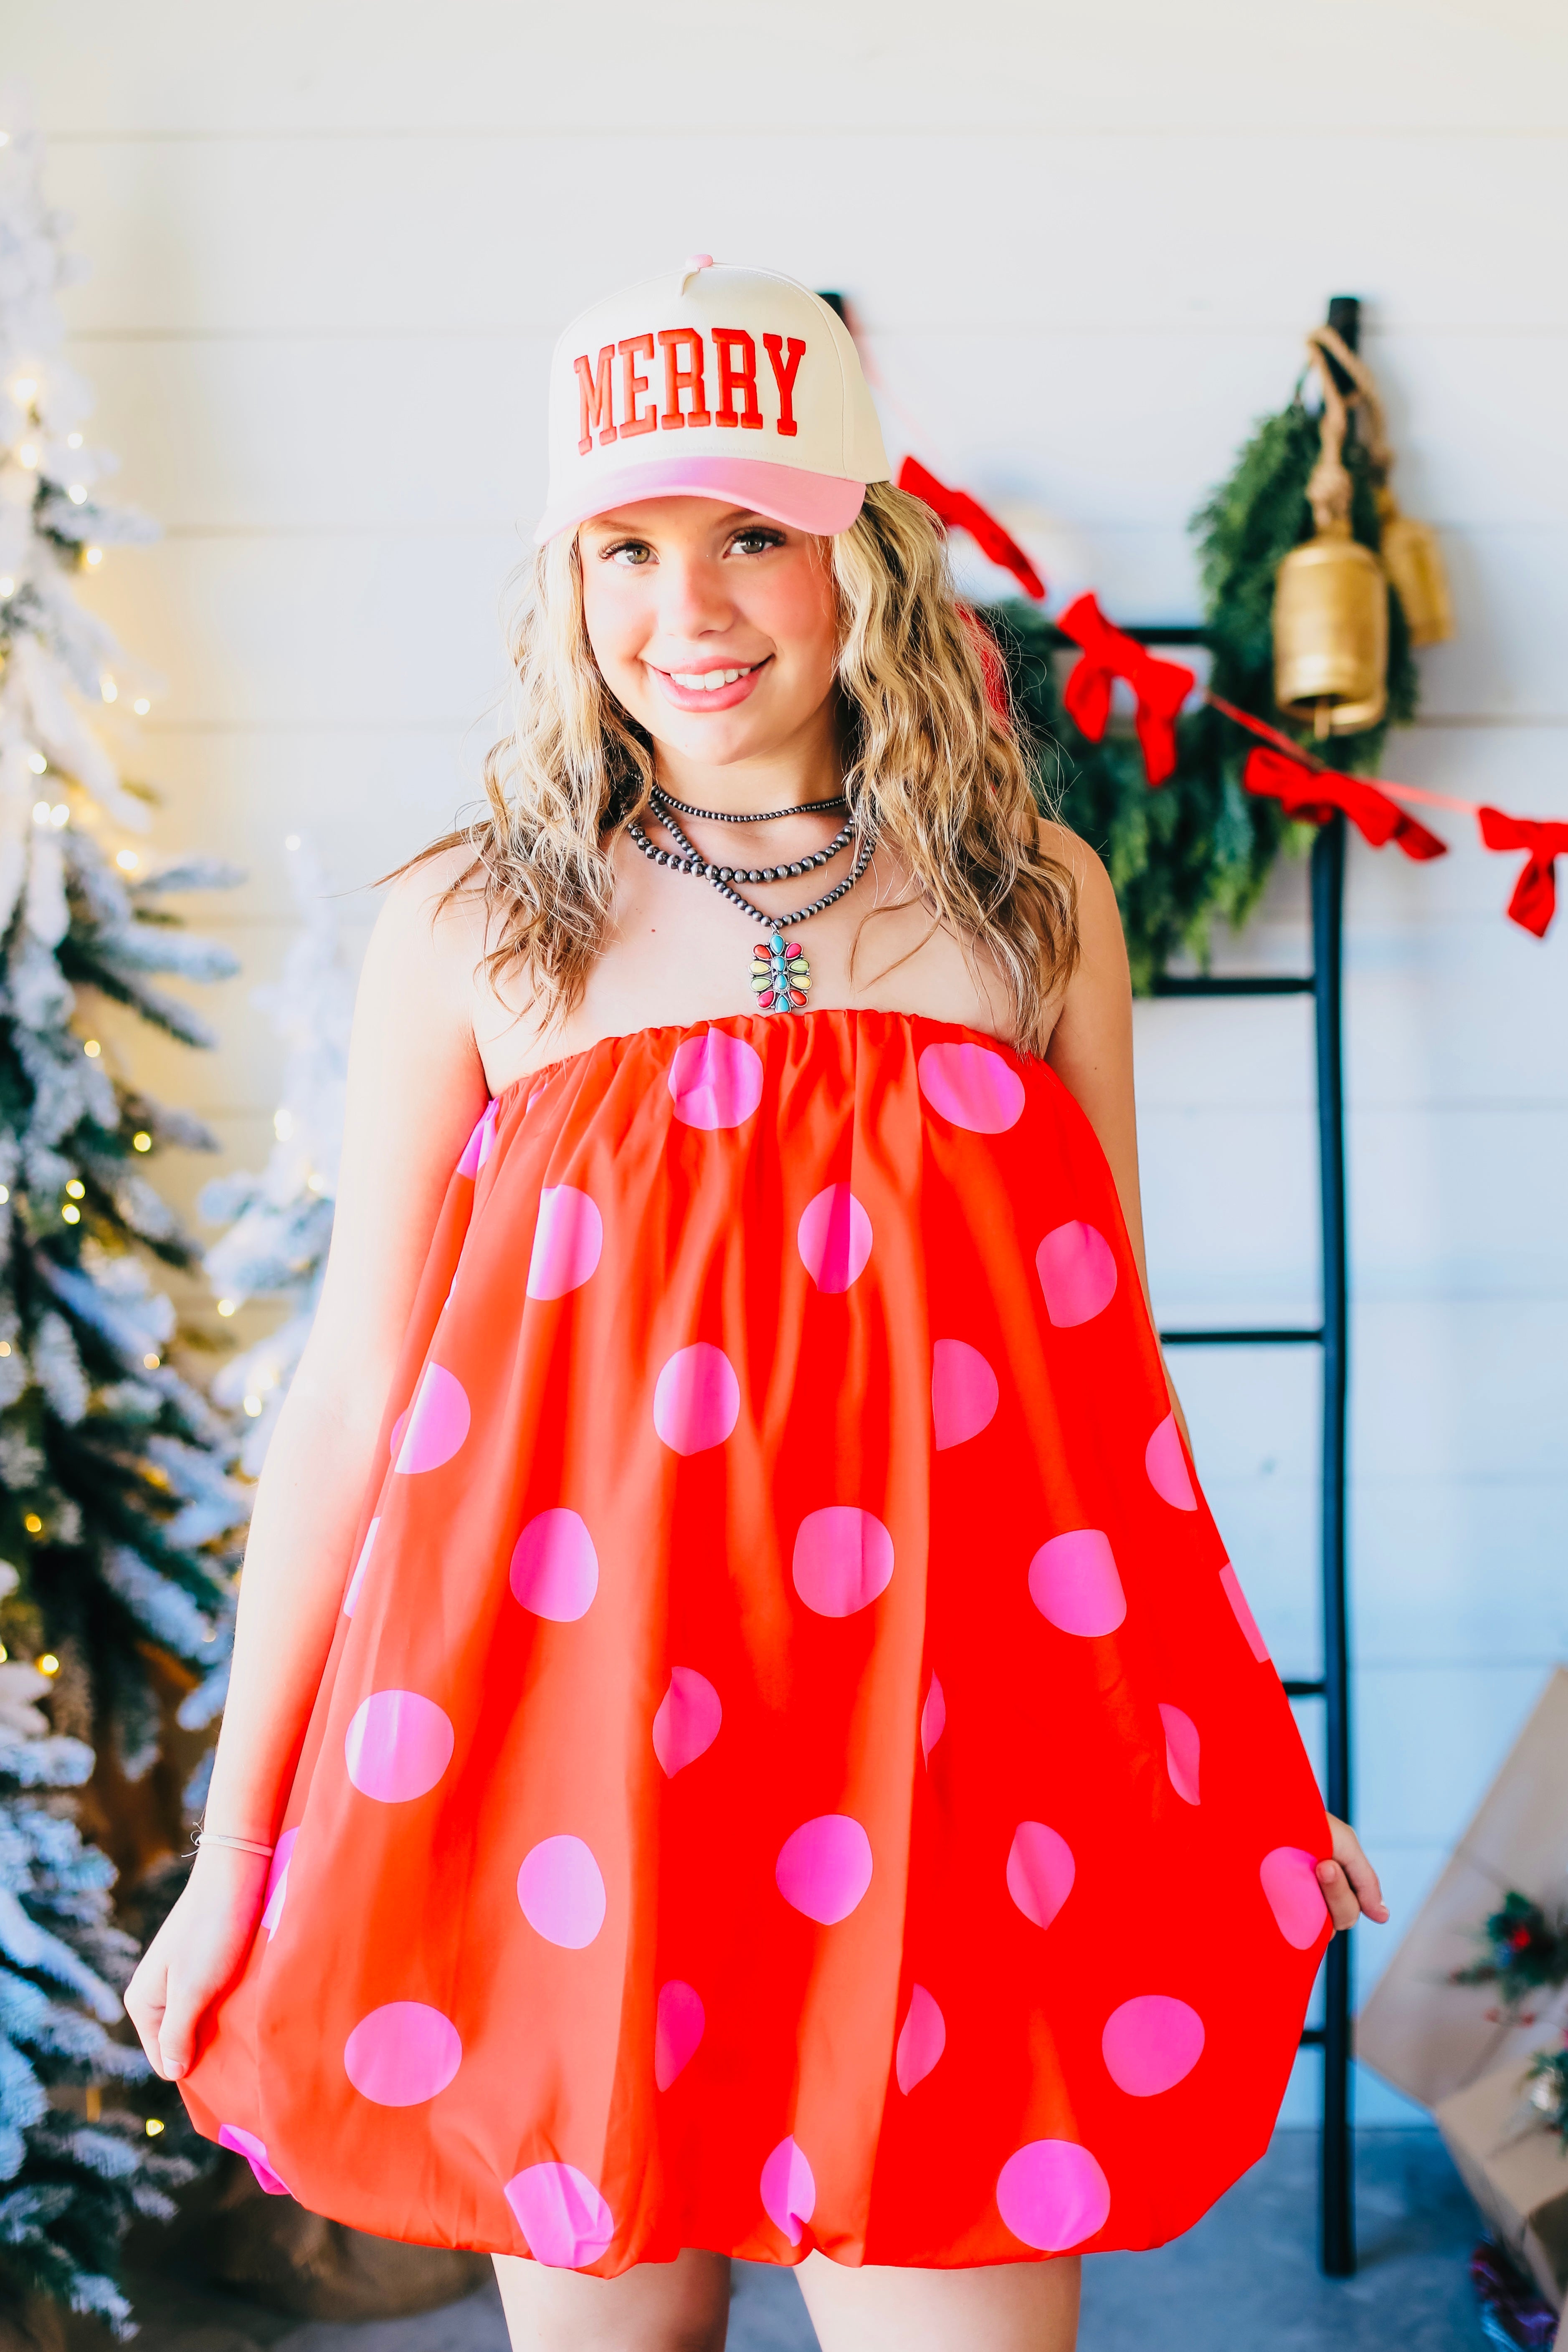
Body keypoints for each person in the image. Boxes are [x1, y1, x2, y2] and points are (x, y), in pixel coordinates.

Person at [126, 258, 1387, 2352]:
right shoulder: (473, 925)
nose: (689, 610)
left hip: (954, 1770)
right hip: (577, 1758)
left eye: (751, 537)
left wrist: (1242, 1725)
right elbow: (351, 1401)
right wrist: (237, 1837)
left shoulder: (1029, 906)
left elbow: (1106, 1403)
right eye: (626, 546)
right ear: (566, 576)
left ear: (862, 554)